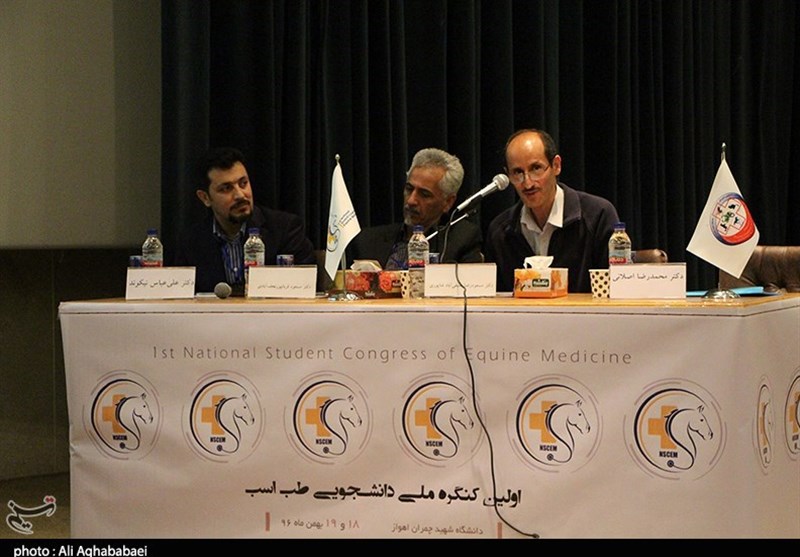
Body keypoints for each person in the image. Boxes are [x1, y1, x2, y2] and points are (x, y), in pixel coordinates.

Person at [484, 129, 620, 293]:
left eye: (536, 168)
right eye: (518, 172)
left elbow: (616, 290)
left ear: (556, 165)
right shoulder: (500, 232)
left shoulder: (598, 215)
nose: (528, 183)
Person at [173, 147, 316, 294]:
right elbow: (182, 297)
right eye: (226, 188)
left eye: (243, 183)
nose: (240, 195)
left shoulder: (285, 229)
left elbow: (305, 288)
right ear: (205, 198)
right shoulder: (191, 242)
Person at [349, 148, 483, 268]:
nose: (411, 200)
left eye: (424, 194)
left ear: (448, 202)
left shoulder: (463, 240)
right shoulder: (367, 242)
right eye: (409, 189)